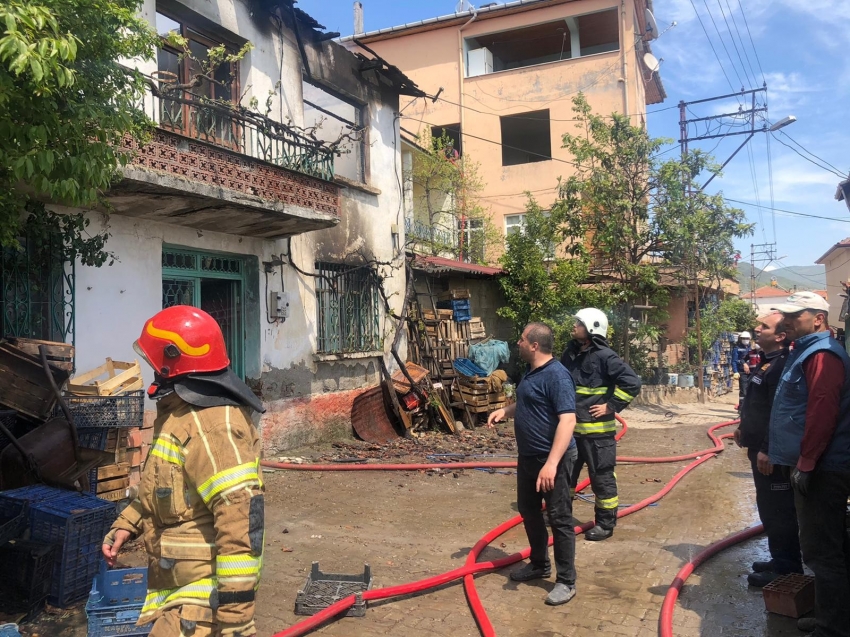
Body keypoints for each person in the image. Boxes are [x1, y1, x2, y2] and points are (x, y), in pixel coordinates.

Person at [102, 306, 266, 637]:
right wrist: (129, 522)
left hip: (202, 608)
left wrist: (236, 622)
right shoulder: (179, 416)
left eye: (154, 363)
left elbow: (242, 524)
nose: (151, 371)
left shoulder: (214, 425)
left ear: (173, 361)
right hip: (178, 594)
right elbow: (167, 486)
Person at [769, 291, 850, 637]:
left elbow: (822, 411)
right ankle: (832, 617)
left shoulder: (823, 355)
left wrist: (806, 462)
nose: (786, 320)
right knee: (829, 546)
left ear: (817, 318)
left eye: (794, 315)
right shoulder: (806, 351)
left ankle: (832, 627)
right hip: (817, 463)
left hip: (823, 468)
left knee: (822, 551)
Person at [487, 322, 578, 606]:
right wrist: (506, 410)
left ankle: (566, 581)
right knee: (529, 511)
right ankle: (539, 563)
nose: (518, 344)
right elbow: (529, 404)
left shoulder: (557, 376)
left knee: (560, 519)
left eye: (522, 340)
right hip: (528, 457)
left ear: (535, 346)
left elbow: (568, 420)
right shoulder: (533, 372)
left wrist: (551, 464)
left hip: (552, 460)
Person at [560, 308, 641, 541]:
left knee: (602, 478)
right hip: (571, 432)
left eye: (579, 323)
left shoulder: (606, 357)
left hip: (598, 436)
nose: (574, 326)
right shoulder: (570, 353)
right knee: (565, 475)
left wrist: (611, 406)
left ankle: (605, 524)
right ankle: (562, 514)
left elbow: (632, 383)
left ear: (591, 328)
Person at [733, 313, 801, 587]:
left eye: (763, 327)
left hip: (770, 453)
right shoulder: (766, 362)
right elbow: (756, 403)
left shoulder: (782, 365)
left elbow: (780, 411)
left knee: (779, 510)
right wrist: (742, 425)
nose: (756, 329)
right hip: (758, 446)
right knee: (767, 505)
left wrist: (768, 449)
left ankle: (787, 568)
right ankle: (779, 558)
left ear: (780, 336)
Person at [733, 331, 753, 399]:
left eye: (747, 338)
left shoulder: (751, 348)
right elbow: (734, 361)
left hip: (751, 371)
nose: (745, 340)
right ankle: (741, 407)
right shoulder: (737, 348)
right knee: (744, 391)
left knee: (751, 390)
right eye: (744, 338)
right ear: (741, 339)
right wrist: (735, 371)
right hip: (742, 371)